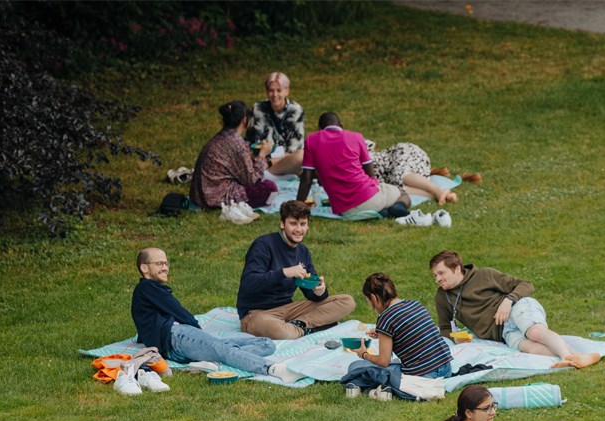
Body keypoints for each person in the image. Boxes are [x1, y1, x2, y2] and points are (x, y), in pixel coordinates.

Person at [132, 247, 303, 383]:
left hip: (179, 341)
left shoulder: (147, 292)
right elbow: (179, 311)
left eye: (166, 263)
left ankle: (212, 362)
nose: (165, 267)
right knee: (223, 349)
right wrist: (197, 331)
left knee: (266, 344)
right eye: (159, 264)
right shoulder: (147, 287)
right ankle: (273, 369)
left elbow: (146, 321)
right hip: (176, 337)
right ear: (144, 268)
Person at [429, 250, 600, 368]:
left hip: (516, 309)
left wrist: (508, 300)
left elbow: (526, 284)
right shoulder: (442, 297)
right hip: (502, 332)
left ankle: (565, 357)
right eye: (435, 275)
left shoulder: (484, 275)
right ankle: (579, 357)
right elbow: (444, 328)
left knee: (534, 332)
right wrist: (455, 339)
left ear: (457, 269)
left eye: (441, 273)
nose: (438, 279)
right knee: (530, 348)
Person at [236, 200, 355, 340]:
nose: (299, 229)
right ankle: (307, 328)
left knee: (347, 302)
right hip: (257, 313)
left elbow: (310, 292)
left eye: (303, 224)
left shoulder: (303, 251)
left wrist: (319, 291)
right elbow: (249, 283)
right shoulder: (263, 245)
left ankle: (299, 325)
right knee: (278, 330)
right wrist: (284, 272)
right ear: (282, 224)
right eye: (293, 223)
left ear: (307, 226)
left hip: (289, 309)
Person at [296, 112, 411, 220]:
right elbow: (370, 171)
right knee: (403, 194)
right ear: (341, 126)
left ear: (320, 129)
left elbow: (306, 179)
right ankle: (397, 207)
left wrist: (297, 206)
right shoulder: (356, 137)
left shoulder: (311, 140)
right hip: (369, 196)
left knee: (374, 201)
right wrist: (375, 187)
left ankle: (382, 212)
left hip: (345, 210)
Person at [351, 273, 452, 378]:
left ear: (374, 298)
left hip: (425, 375)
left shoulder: (386, 318)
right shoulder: (415, 304)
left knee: (356, 367)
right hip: (446, 368)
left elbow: (383, 361)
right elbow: (412, 331)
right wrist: (382, 332)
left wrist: (364, 354)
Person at [188, 100, 278, 209]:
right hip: (214, 198)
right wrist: (262, 155)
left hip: (198, 195)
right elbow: (251, 180)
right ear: (245, 120)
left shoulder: (222, 136)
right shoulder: (237, 143)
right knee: (270, 188)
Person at [246, 72, 305, 175]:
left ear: (287, 91)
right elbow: (249, 140)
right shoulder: (257, 108)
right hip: (259, 160)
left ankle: (267, 174)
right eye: (271, 90)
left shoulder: (296, 110)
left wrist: (269, 162)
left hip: (282, 161)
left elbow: (294, 148)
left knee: (300, 156)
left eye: (279, 90)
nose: (274, 95)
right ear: (266, 91)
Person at [366, 140, 457, 205]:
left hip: (404, 153)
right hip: (398, 177)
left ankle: (438, 190)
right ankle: (438, 195)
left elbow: (370, 145)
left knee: (399, 175)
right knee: (397, 190)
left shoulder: (358, 146)